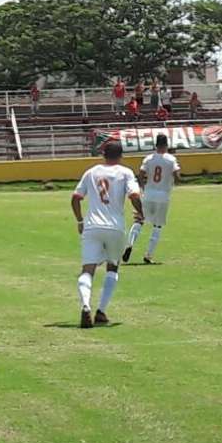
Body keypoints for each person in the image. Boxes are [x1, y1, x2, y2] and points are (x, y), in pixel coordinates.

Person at [71, 141, 144, 328]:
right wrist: (141, 213)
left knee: (88, 269)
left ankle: (86, 305)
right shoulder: (125, 172)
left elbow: (76, 198)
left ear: (103, 154)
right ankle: (101, 311)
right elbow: (134, 196)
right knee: (113, 267)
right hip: (115, 227)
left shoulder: (91, 172)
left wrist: (80, 221)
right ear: (121, 155)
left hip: (92, 226)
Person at [124, 134, 181, 265]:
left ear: (156, 145)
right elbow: (177, 176)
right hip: (163, 195)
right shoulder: (171, 159)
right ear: (166, 145)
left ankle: (129, 244)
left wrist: (143, 188)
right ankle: (148, 255)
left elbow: (141, 174)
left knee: (139, 220)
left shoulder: (148, 159)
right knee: (157, 226)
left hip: (149, 193)